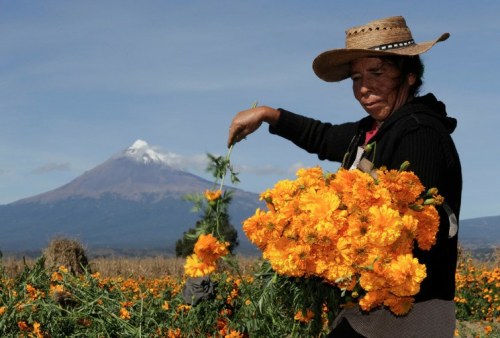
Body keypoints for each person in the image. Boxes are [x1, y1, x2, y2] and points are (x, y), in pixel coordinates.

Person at [227, 16, 462, 338]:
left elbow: (414, 224)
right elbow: (322, 137)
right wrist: (270, 115)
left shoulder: (417, 133)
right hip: (368, 300)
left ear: (409, 75)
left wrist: (336, 249)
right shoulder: (370, 132)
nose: (364, 88)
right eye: (356, 77)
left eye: (377, 73)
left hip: (409, 306)